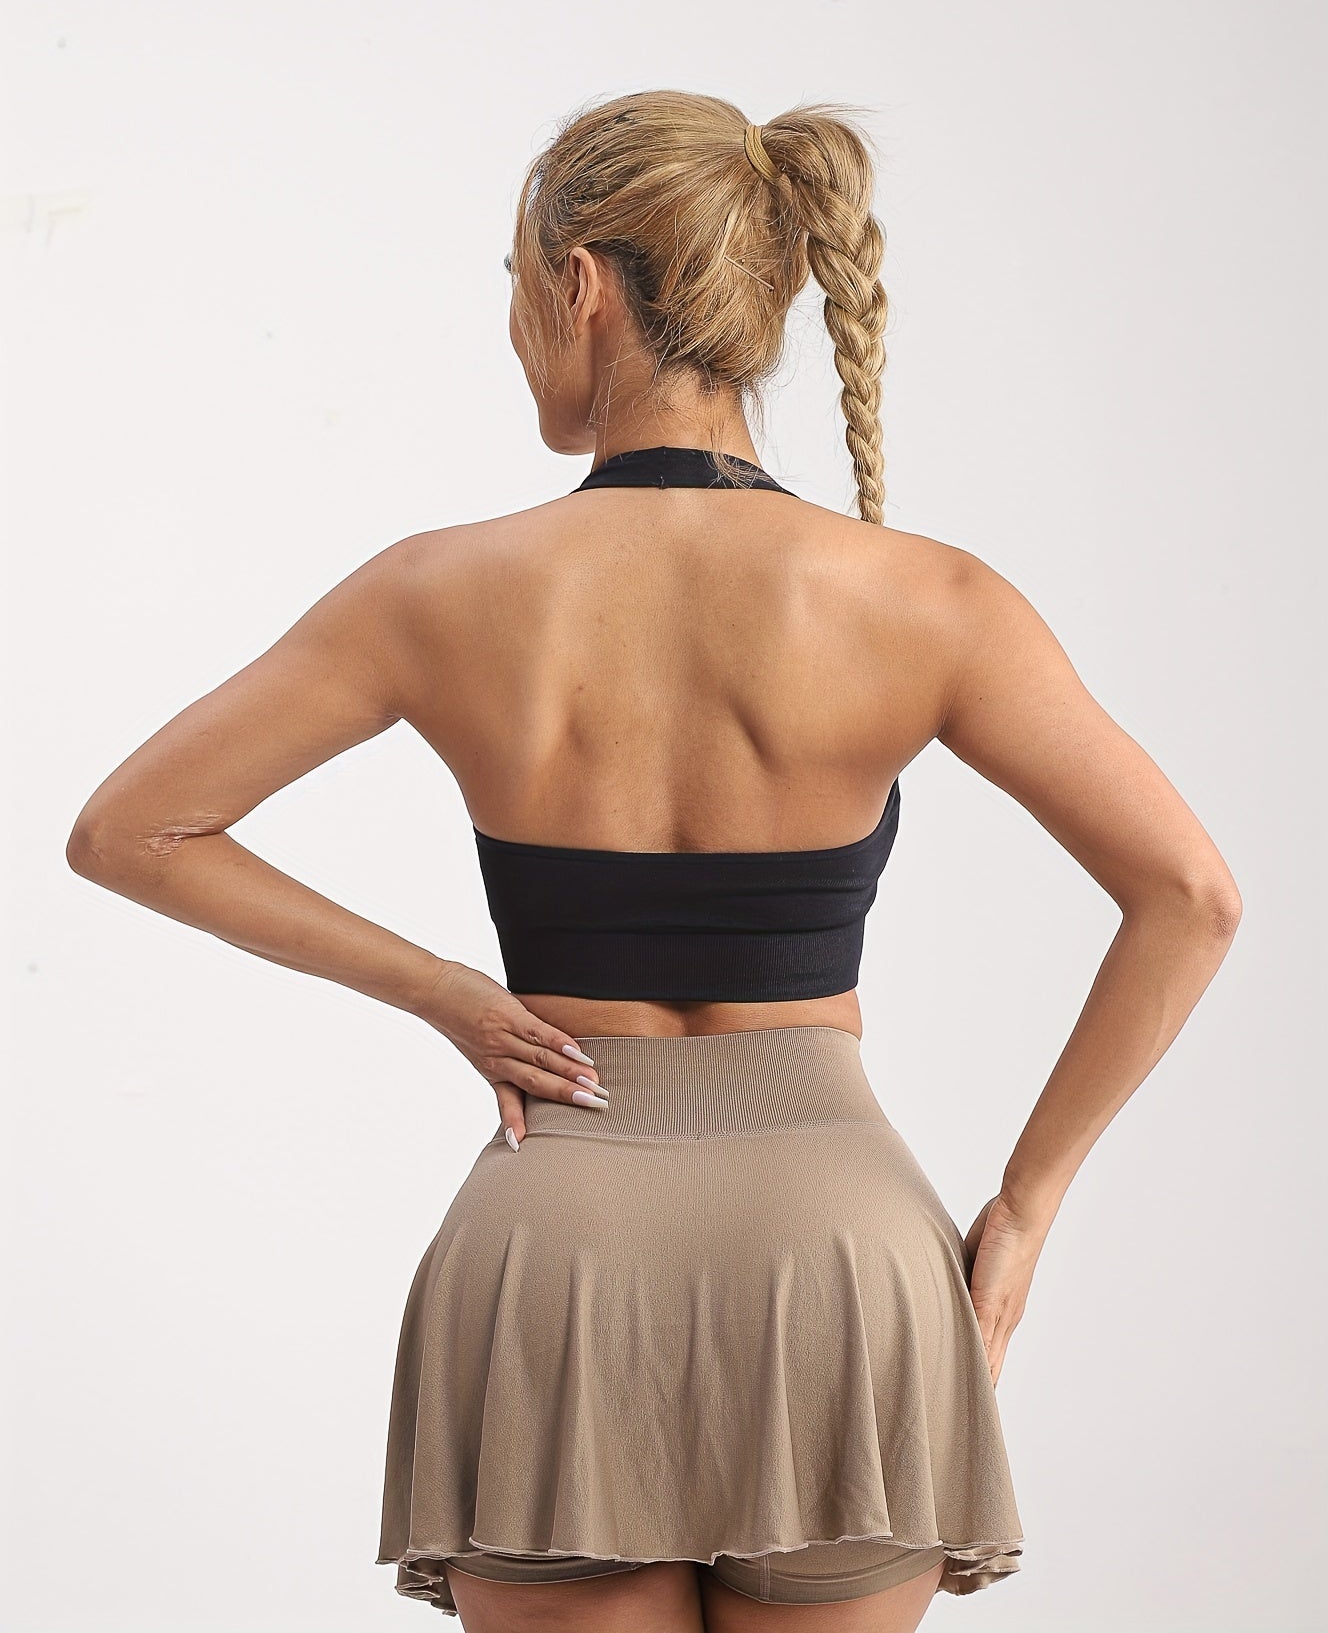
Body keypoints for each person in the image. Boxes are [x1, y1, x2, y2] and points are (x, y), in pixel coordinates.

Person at [66, 90, 1242, 1633]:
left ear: (581, 286)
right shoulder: (932, 599)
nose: (512, 330)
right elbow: (1190, 896)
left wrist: (444, 990)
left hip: (563, 1251)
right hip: (839, 1250)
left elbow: (130, 829)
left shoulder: (435, 590)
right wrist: (1023, 1208)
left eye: (514, 285)